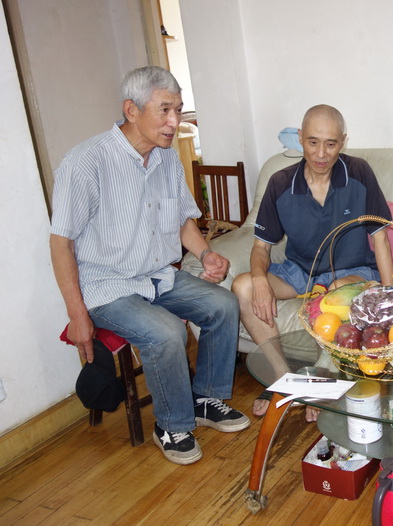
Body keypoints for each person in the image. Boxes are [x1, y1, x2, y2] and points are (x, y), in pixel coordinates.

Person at [50, 66, 249, 466]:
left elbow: (182, 221)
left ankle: (204, 399)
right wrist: (76, 313)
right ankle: (171, 425)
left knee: (223, 304)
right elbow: (61, 243)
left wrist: (205, 254)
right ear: (132, 109)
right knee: (165, 332)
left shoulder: (167, 159)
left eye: (178, 109)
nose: (175, 121)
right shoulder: (86, 162)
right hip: (107, 286)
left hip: (157, 276)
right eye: (165, 110)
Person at [232, 104, 393, 418]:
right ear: (300, 138)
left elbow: (380, 239)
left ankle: (322, 380)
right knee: (243, 286)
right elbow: (261, 247)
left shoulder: (359, 172)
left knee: (335, 293)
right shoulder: (280, 182)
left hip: (354, 272)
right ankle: (284, 379)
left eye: (331, 144)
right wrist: (259, 279)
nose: (321, 154)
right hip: (300, 271)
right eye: (313, 142)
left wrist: (390, 296)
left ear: (343, 141)